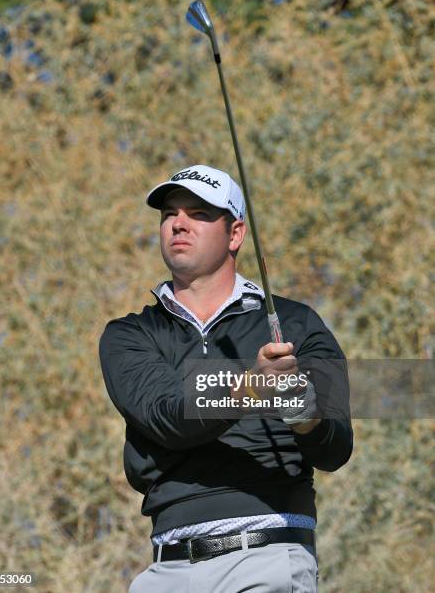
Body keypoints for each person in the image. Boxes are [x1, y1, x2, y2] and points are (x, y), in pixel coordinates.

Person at [99, 164, 353, 592]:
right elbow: (166, 416)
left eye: (198, 213)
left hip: (268, 555)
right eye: (169, 214)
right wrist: (251, 388)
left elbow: (335, 447)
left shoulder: (296, 323)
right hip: (167, 568)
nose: (178, 223)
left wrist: (301, 409)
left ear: (235, 234)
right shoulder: (130, 334)